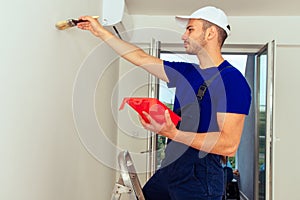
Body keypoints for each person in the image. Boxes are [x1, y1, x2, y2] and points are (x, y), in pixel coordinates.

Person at [77, 6, 251, 200]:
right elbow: (141, 58)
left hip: (201, 178)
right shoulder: (188, 73)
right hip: (171, 168)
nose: (184, 36)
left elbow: (228, 145)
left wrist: (173, 133)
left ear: (210, 33)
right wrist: (101, 32)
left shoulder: (232, 81)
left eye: (190, 29)